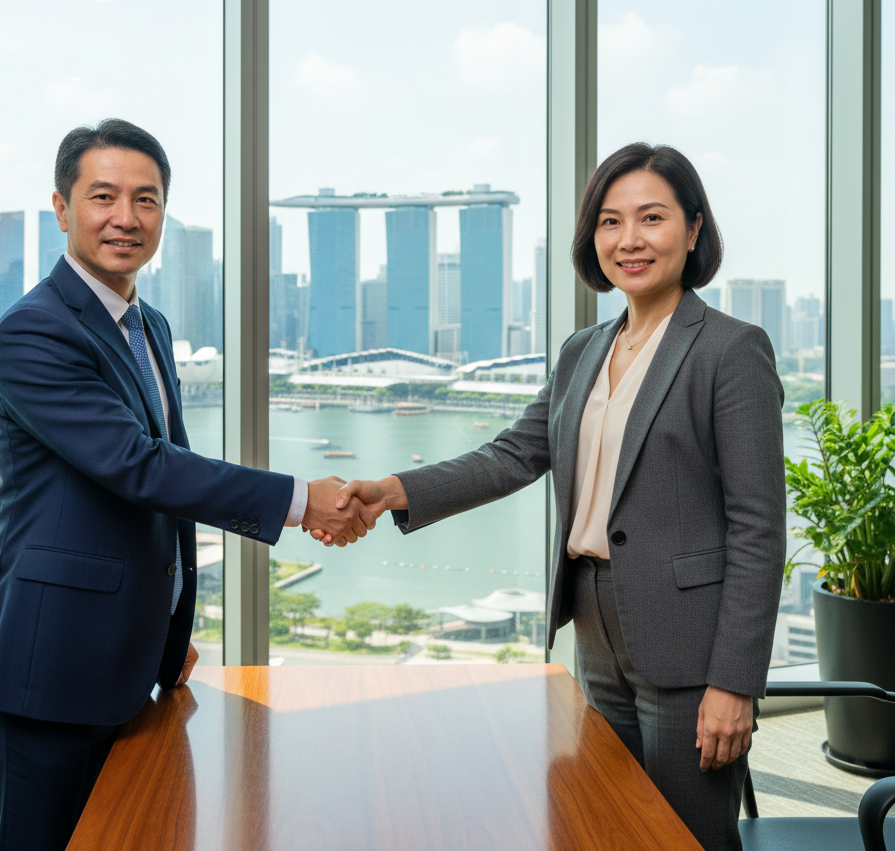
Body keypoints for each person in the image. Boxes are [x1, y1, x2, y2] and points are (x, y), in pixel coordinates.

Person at [325, 143, 786, 851]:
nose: (628, 240)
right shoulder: (583, 350)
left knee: (685, 836)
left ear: (694, 230)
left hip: (688, 643)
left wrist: (735, 683)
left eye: (651, 218)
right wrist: (394, 490)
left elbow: (758, 529)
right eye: (609, 222)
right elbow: (514, 454)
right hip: (595, 627)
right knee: (606, 823)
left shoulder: (730, 349)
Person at [0, 118, 373, 851]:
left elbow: (161, 484)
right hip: (48, 668)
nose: (125, 218)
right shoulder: (34, 331)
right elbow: (138, 466)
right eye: (103, 197)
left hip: (130, 665)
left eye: (145, 200)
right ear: (62, 208)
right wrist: (304, 502)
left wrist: (165, 634)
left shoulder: (148, 325)